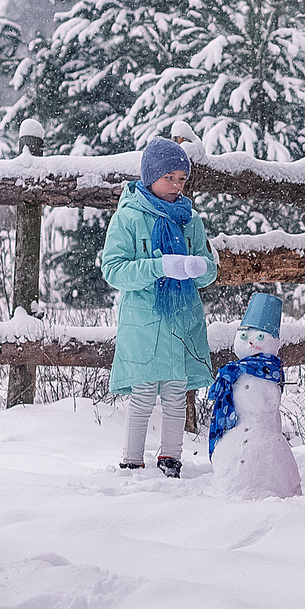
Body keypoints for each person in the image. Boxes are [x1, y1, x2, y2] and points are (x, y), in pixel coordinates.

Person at [99, 137, 217, 476]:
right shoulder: (130, 218)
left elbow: (207, 269)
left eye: (182, 178)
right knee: (144, 393)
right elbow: (114, 269)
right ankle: (132, 461)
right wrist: (159, 267)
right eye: (170, 177)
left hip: (182, 320)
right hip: (145, 321)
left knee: (177, 394)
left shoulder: (190, 219)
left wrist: (200, 268)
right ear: (151, 176)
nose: (177, 185)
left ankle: (170, 459)